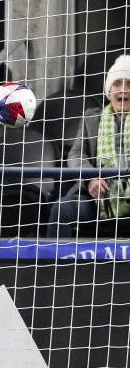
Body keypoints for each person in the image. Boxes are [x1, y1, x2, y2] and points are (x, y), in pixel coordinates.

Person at [47, 54, 130, 238]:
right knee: (63, 209)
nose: (123, 90)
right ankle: (54, 267)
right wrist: (91, 177)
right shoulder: (92, 118)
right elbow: (76, 155)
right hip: (97, 200)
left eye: (129, 84)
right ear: (109, 92)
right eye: (117, 84)